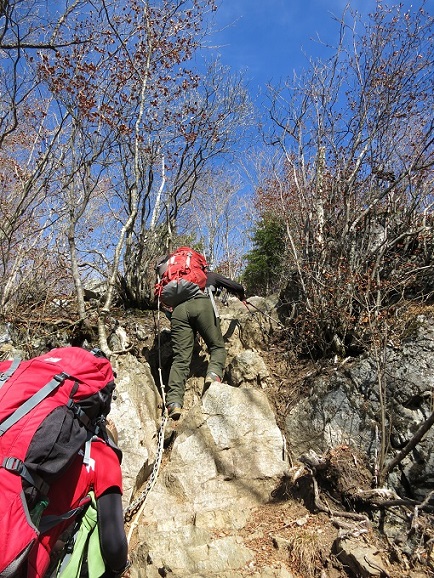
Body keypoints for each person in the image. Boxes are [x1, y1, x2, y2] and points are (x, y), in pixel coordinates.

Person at [27, 423, 129, 578]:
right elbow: (114, 546)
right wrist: (121, 566)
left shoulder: (52, 434)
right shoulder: (103, 453)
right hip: (28, 555)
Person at [164, 269, 246, 420]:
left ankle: (174, 403)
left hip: (179, 311)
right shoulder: (208, 275)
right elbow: (236, 286)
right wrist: (241, 296)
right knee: (216, 346)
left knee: (180, 359)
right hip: (202, 305)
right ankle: (213, 375)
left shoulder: (176, 280)